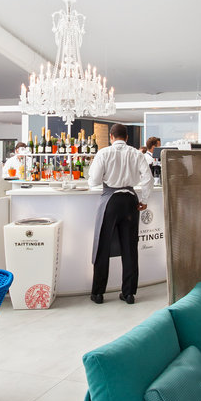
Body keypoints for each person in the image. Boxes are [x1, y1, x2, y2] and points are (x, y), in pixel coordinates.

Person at [88, 123, 153, 305]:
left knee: (102, 246)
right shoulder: (136, 153)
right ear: (127, 137)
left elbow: (94, 181)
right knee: (130, 248)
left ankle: (98, 293)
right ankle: (129, 293)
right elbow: (148, 178)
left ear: (111, 136)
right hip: (131, 202)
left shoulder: (104, 153)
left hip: (110, 201)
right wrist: (144, 200)